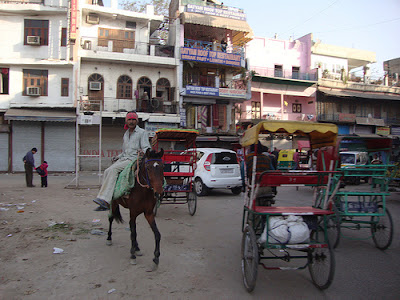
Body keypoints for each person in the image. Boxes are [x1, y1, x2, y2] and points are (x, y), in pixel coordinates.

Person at [93, 111, 151, 211]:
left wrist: (143, 151)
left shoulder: (142, 133)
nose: (131, 121)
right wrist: (118, 157)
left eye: (133, 119)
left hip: (134, 159)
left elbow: (147, 147)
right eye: (129, 119)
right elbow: (125, 152)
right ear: (126, 121)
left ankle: (106, 200)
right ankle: (104, 197)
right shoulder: (126, 134)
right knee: (107, 171)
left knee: (113, 170)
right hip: (125, 158)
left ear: (136, 121)